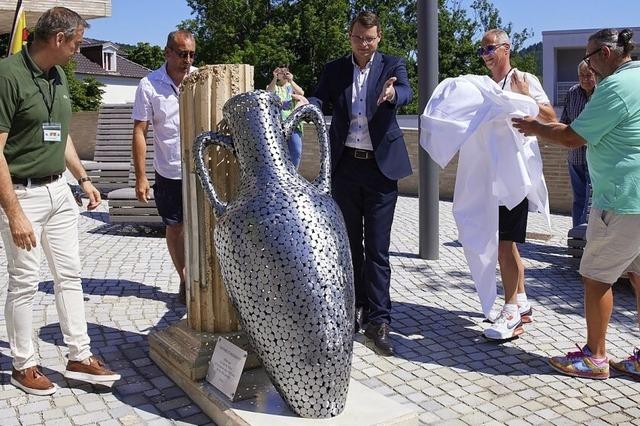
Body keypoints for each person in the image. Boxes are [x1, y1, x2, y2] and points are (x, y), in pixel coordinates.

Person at [0, 7, 120, 396]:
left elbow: (60, 135)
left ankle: (79, 357)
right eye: (77, 44)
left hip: (59, 192)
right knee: (24, 283)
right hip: (23, 195)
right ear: (58, 39)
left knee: (69, 276)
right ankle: (23, 365)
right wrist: (14, 213)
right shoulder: (7, 76)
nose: (78, 51)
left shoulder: (58, 76)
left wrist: (82, 179)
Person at [512, 28, 640, 380]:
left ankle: (595, 357)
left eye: (589, 57)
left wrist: (535, 126)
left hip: (622, 201)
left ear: (605, 53)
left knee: (596, 277)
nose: (588, 66)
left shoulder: (615, 87)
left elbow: (572, 136)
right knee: (638, 275)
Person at [294, 11, 413, 356]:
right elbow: (320, 98)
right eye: (359, 37)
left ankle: (379, 320)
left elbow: (405, 91)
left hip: (380, 171)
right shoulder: (335, 69)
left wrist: (393, 94)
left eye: (370, 38)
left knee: (377, 249)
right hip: (345, 168)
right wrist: (308, 103)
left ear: (379, 38)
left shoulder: (392, 65)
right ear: (350, 36)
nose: (364, 44)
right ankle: (353, 308)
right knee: (349, 247)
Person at [478, 29, 557, 340]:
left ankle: (511, 311)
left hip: (516, 177)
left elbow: (550, 118)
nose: (485, 55)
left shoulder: (523, 79)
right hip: (492, 177)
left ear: (506, 48)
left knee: (504, 245)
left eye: (490, 48)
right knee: (504, 243)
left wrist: (525, 97)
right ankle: (521, 301)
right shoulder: (488, 86)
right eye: (482, 50)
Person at [132, 30, 197, 305]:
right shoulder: (148, 85)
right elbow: (140, 131)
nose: (188, 60)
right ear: (167, 52)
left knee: (207, 226)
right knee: (175, 227)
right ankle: (184, 279)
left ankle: (207, 280)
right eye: (182, 54)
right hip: (169, 170)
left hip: (201, 170)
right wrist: (141, 177)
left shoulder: (201, 79)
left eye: (192, 54)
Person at [560, 61, 596, 227]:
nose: (585, 79)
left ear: (596, 74)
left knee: (593, 201)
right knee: (579, 198)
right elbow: (564, 121)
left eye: (588, 75)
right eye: (581, 76)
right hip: (575, 156)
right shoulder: (572, 93)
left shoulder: (602, 93)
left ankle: (588, 236)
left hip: (595, 156)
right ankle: (577, 234)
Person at [267, 65, 305, 167]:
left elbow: (301, 93)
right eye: (280, 72)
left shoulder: (291, 86)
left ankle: (293, 173)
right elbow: (268, 93)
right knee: (277, 153)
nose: (283, 74)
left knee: (296, 151)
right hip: (277, 124)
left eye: (285, 72)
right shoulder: (275, 86)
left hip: (293, 124)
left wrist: (291, 80)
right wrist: (274, 78)